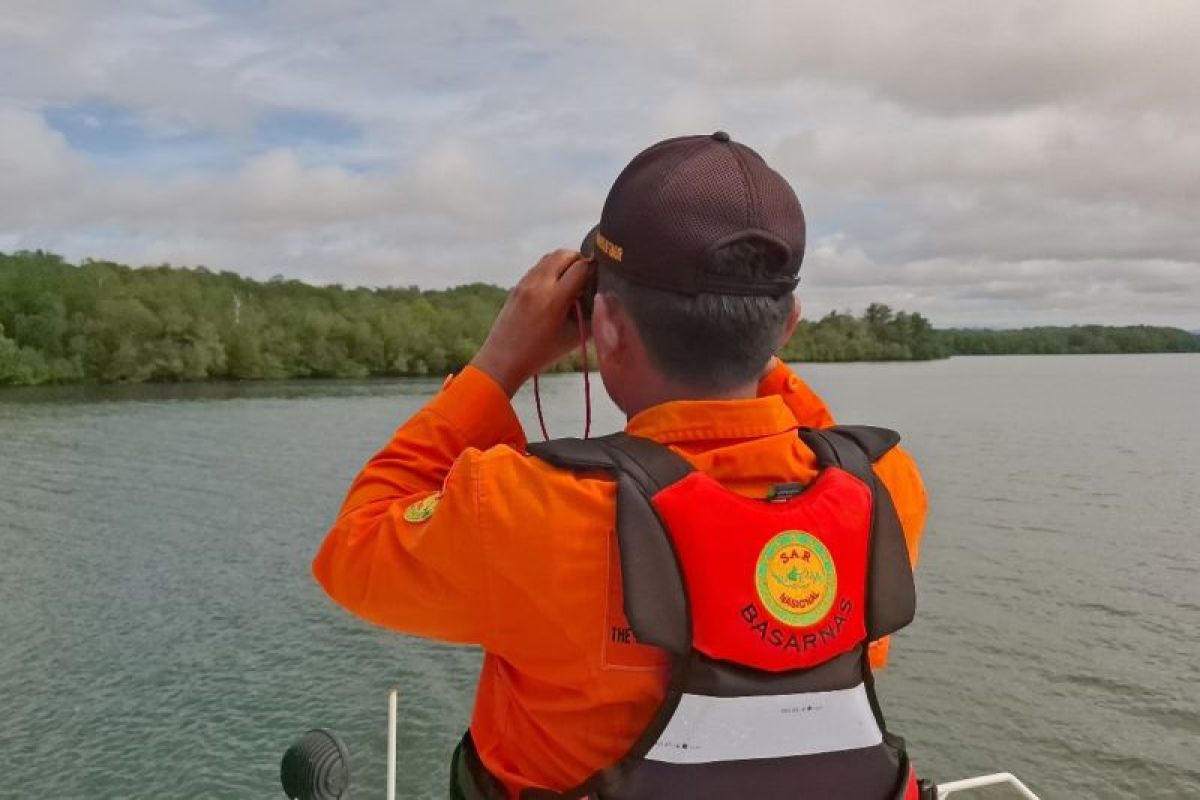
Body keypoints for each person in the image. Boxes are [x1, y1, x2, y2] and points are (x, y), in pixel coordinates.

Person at [313, 132, 930, 799]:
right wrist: (746, 339)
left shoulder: (532, 513)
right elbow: (811, 437)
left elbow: (353, 549)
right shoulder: (885, 489)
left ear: (603, 327)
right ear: (788, 327)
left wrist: (498, 366)